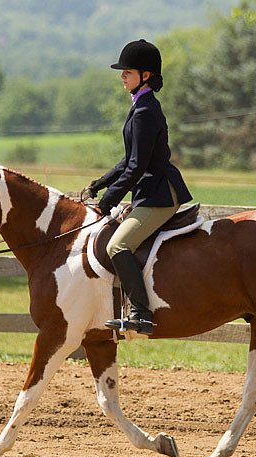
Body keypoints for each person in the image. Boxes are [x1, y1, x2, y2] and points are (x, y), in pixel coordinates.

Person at [83, 39, 192, 336]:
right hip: (149, 191)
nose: (122, 76)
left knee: (117, 245)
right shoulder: (140, 106)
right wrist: (100, 183)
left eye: (127, 71)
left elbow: (137, 167)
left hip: (160, 194)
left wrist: (107, 201)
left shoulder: (145, 111)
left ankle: (142, 314)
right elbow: (129, 159)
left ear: (145, 75)